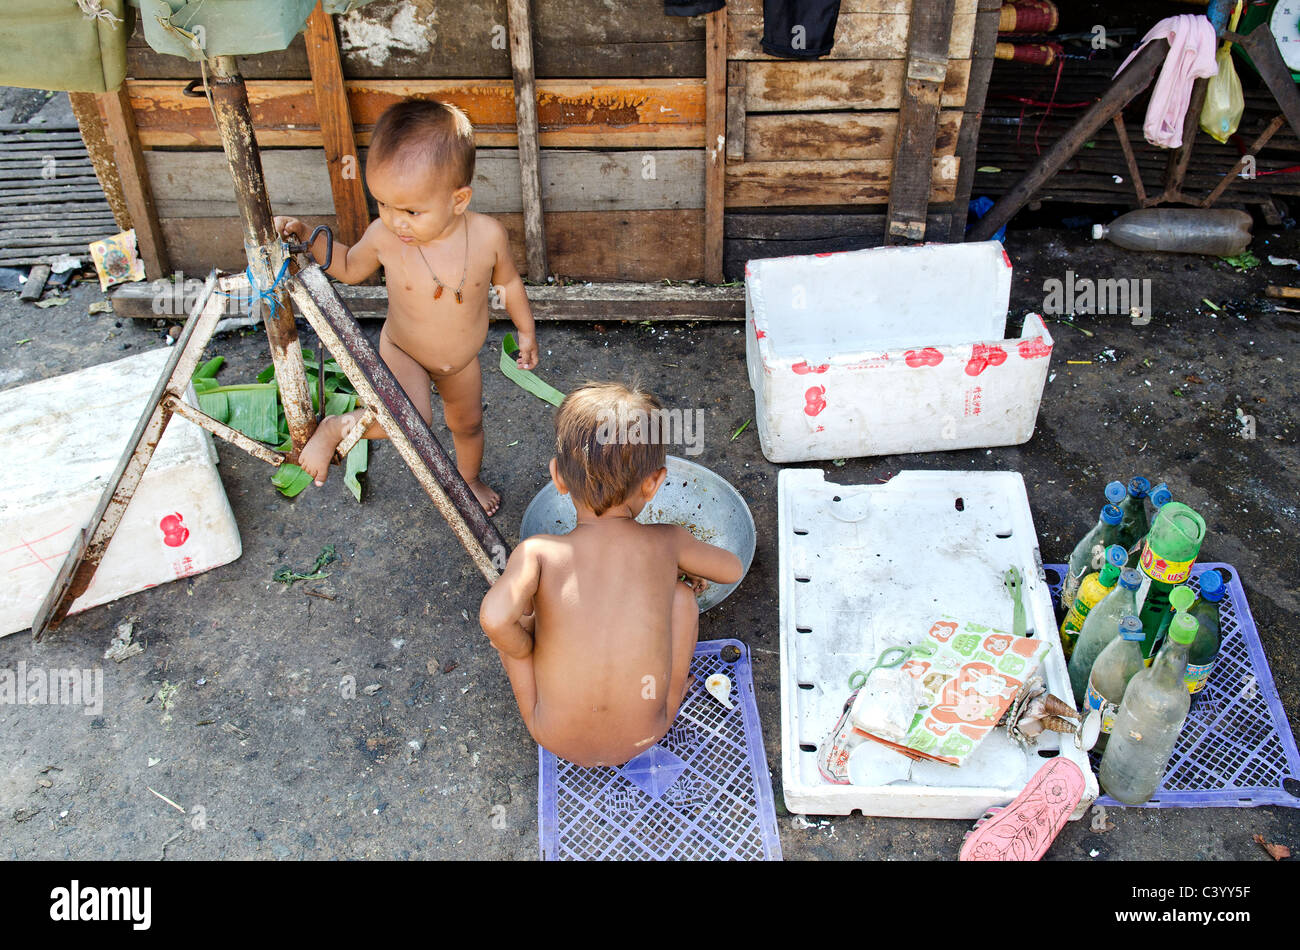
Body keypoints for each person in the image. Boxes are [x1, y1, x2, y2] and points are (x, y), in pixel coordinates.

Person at [274, 99, 537, 514]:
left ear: (459, 199)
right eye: (384, 204)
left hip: (461, 361)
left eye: (411, 210)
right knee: (414, 420)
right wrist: (310, 237)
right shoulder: (385, 236)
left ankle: (468, 479)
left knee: (467, 425)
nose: (397, 221)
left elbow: (507, 282)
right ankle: (338, 427)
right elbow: (346, 265)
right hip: (404, 350)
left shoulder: (488, 237)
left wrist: (525, 330)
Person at [479, 382, 744, 767]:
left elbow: (493, 618)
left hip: (551, 733)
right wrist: (677, 566)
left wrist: (523, 648)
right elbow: (731, 568)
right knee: (681, 598)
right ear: (653, 483)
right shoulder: (667, 541)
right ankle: (672, 698)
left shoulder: (537, 552)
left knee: (518, 615)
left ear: (558, 477)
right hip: (646, 733)